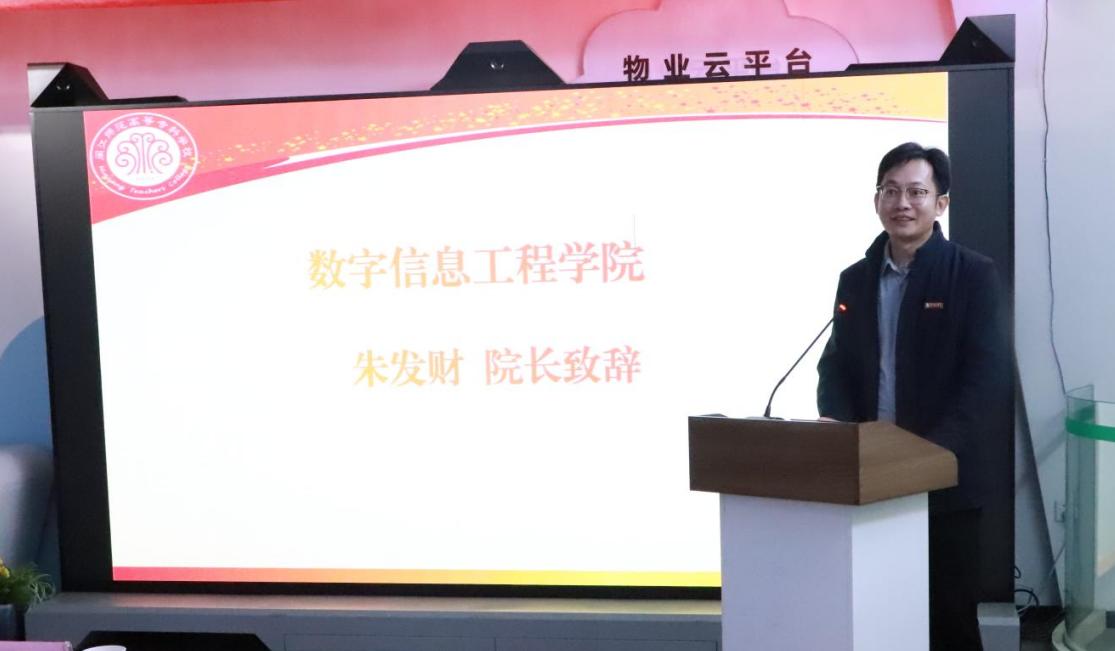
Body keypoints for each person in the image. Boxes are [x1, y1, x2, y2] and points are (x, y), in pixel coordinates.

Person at [816, 142, 1010, 650]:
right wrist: (837, 426)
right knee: (876, 619)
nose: (902, 203)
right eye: (891, 190)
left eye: (917, 192)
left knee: (949, 623)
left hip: (944, 483)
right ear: (876, 200)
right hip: (870, 479)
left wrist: (925, 456)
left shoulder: (971, 274)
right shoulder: (855, 280)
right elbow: (835, 366)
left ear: (940, 203)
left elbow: (986, 378)